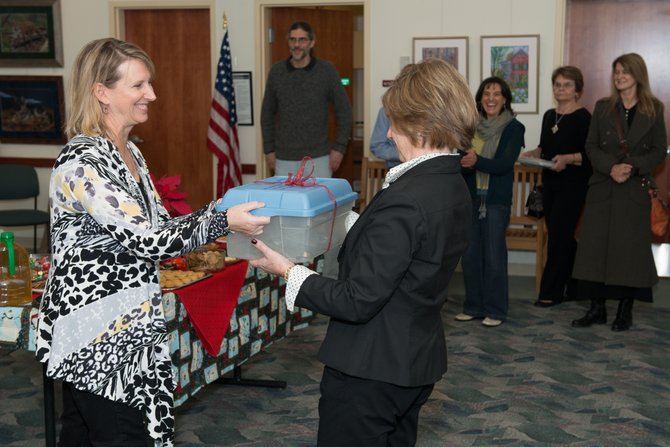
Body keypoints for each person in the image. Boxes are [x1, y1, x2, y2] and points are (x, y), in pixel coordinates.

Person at [35, 38, 269, 447]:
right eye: (139, 85)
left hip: (129, 321)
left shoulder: (130, 153)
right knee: (120, 435)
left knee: (86, 434)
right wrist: (221, 218)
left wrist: (222, 217)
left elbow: (161, 227)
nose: (152, 95)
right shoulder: (83, 162)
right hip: (97, 334)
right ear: (102, 93)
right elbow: (149, 240)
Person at [248, 58, 478, 446]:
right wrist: (344, 220)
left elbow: (357, 300)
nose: (388, 133)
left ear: (421, 125)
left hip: (372, 369)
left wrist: (289, 271)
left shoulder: (408, 197)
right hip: (413, 359)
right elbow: (410, 251)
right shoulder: (450, 183)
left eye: (395, 122)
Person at [571, 53, 666, 332]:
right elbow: (591, 147)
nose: (619, 76)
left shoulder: (653, 109)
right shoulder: (603, 107)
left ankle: (625, 310)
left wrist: (632, 166)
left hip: (633, 189)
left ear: (638, 75)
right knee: (595, 250)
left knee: (630, 252)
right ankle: (596, 309)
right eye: (616, 71)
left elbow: (660, 150)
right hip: (603, 186)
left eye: (625, 71)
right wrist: (611, 167)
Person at [456, 76, 525, 327]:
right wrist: (463, 163)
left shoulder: (514, 128)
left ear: (505, 99)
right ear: (480, 99)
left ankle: (495, 311)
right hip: (471, 198)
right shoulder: (470, 126)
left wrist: (477, 162)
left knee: (494, 255)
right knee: (471, 254)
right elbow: (462, 162)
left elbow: (504, 165)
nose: (491, 98)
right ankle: (473, 306)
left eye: (496, 94)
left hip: (496, 201)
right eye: (486, 94)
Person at [522, 66, 592, 307]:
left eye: (567, 85)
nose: (561, 89)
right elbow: (545, 146)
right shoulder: (549, 116)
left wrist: (569, 158)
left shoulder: (584, 117)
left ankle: (550, 292)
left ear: (577, 90)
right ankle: (576, 286)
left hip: (574, 184)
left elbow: (590, 155)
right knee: (563, 236)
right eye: (557, 84)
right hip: (550, 182)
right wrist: (535, 152)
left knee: (558, 237)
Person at [260, 21, 353, 178]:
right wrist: (269, 150)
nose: (297, 45)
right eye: (292, 39)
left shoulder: (326, 71)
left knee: (319, 203)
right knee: (286, 203)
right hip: (283, 160)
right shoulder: (276, 72)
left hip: (318, 159)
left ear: (312, 42)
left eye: (302, 40)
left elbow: (345, 112)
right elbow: (266, 115)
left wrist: (339, 148)